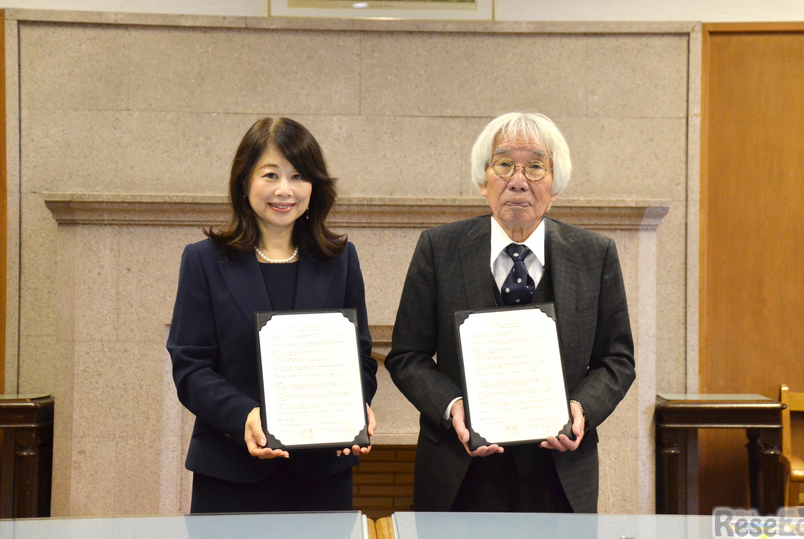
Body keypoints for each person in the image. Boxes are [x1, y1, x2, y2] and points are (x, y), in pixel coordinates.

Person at [384, 112, 635, 513]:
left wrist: (581, 409)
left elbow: (616, 360)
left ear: (555, 185)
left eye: (535, 166)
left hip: (560, 472)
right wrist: (452, 407)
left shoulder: (595, 255)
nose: (519, 180)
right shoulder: (438, 249)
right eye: (504, 164)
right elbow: (406, 356)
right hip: (459, 472)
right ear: (483, 180)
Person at [167, 117, 378, 513]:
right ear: (244, 183)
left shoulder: (340, 260)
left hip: (322, 478)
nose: (285, 190)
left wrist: (356, 403)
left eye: (298, 175)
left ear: (314, 187)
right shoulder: (203, 260)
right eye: (270, 175)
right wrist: (244, 415)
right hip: (230, 477)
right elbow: (190, 368)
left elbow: (361, 359)